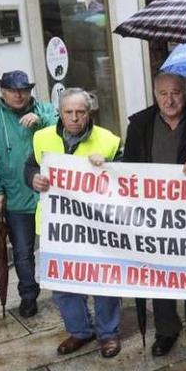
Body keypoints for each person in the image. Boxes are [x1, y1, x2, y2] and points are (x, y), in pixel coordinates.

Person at [123, 72, 186, 357]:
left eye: (175, 93)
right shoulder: (139, 125)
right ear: (155, 94)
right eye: (163, 93)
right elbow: (127, 167)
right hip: (153, 216)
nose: (169, 100)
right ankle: (166, 330)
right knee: (159, 275)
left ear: (185, 93)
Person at [25, 88, 122, 357]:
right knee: (63, 282)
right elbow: (30, 168)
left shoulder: (109, 140)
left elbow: (129, 179)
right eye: (69, 112)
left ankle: (108, 333)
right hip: (55, 226)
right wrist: (33, 178)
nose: (75, 118)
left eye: (81, 112)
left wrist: (109, 167)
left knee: (103, 279)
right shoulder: (41, 137)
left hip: (97, 227)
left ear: (89, 113)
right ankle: (79, 331)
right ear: (59, 112)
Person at [0, 70, 58, 318]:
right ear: (3, 92)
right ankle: (29, 295)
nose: (19, 95)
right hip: (17, 198)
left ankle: (66, 292)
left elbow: (66, 130)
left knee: (60, 246)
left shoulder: (47, 111)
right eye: (12, 90)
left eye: (24, 89)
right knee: (22, 251)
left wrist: (41, 119)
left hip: (51, 194)